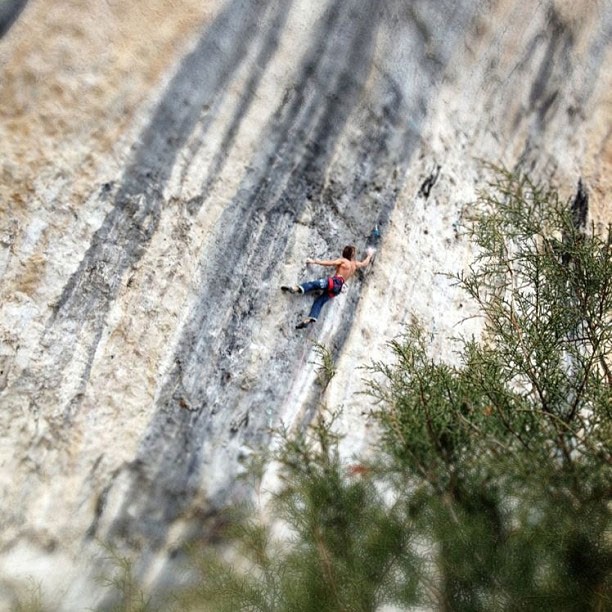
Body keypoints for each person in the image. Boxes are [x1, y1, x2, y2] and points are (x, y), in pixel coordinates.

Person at [282, 245, 375, 329]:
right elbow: (364, 263)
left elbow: (329, 263)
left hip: (333, 282)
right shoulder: (355, 265)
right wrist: (369, 255)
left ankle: (296, 289)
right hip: (337, 289)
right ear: (352, 255)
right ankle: (310, 318)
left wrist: (314, 261)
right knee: (320, 301)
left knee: (313, 284)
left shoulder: (343, 261)